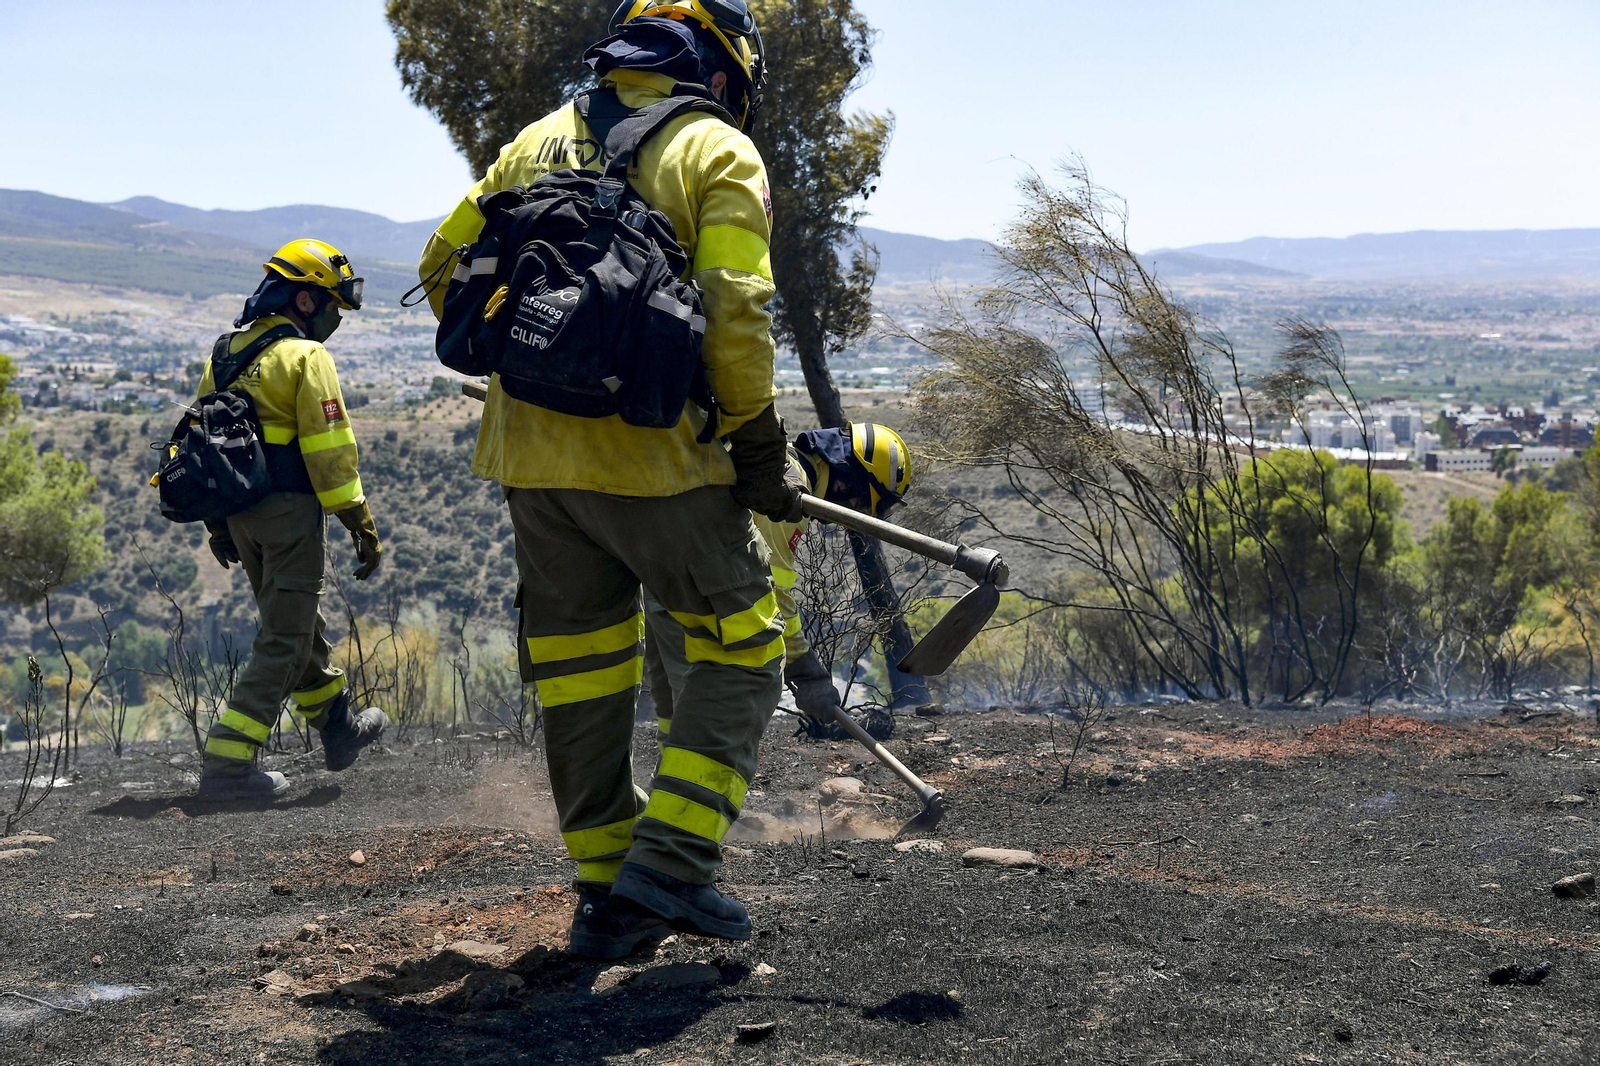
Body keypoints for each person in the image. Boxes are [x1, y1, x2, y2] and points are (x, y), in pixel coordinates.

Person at [417, 1, 794, 959]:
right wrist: (754, 442)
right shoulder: (716, 152)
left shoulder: (534, 142)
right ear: (719, 69)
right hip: (660, 460)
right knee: (742, 646)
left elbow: (436, 265)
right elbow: (737, 311)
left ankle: (602, 894)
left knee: (582, 672)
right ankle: (669, 866)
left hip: (531, 464)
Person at [195, 239, 389, 801]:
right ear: (304, 302)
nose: (337, 319)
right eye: (333, 306)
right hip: (288, 515)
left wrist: (218, 525)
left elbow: (204, 444)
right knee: (286, 636)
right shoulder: (307, 358)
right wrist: (359, 521)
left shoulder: (226, 353)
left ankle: (337, 728)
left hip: (241, 519)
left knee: (299, 623)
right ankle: (228, 765)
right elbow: (330, 453)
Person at [645, 423, 914, 740]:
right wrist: (805, 666)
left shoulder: (778, 466)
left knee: (675, 726)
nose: (856, 511)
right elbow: (775, 592)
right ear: (849, 481)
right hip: (694, 611)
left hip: (661, 588)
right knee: (712, 735)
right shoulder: (788, 492)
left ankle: (671, 786)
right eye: (864, 503)